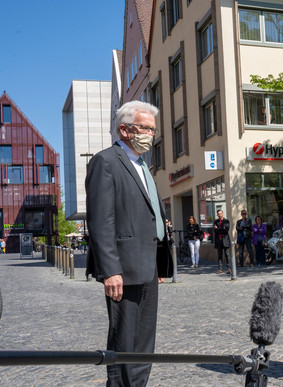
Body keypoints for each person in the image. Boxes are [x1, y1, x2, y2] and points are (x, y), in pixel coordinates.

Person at [85, 100, 173, 386]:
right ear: (124, 130)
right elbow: (101, 220)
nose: (151, 135)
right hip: (123, 270)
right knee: (125, 342)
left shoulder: (142, 165)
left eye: (152, 129)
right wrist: (110, 270)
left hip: (147, 269)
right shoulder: (106, 161)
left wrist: (159, 263)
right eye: (145, 128)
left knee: (145, 342)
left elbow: (151, 216)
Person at [213, 210, 231, 274]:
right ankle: (220, 269)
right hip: (218, 240)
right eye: (218, 214)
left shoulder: (226, 221)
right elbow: (215, 230)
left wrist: (218, 229)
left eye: (221, 213)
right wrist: (221, 229)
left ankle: (229, 268)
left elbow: (226, 230)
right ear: (217, 215)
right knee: (219, 255)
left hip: (225, 239)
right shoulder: (216, 221)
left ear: (223, 214)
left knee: (227, 254)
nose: (220, 215)